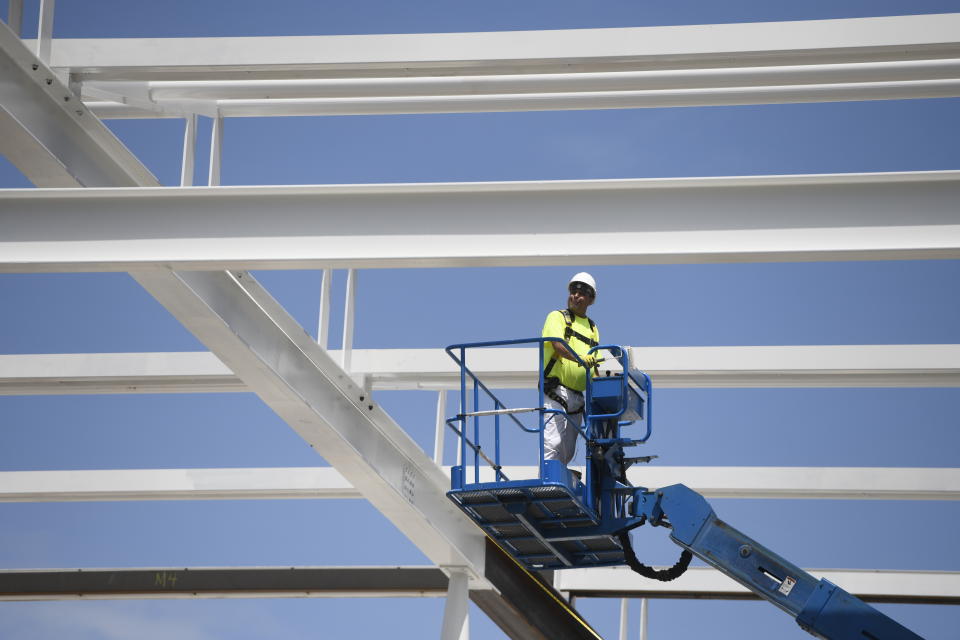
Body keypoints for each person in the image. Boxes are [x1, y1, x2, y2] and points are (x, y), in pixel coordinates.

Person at [541, 272, 600, 465]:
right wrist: (580, 359)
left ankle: (559, 488)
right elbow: (558, 345)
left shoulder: (592, 328)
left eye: (582, 292)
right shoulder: (557, 317)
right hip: (556, 390)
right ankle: (547, 485)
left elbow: (595, 362)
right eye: (573, 291)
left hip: (578, 396)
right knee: (553, 442)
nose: (575, 295)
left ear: (591, 299)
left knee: (568, 450)